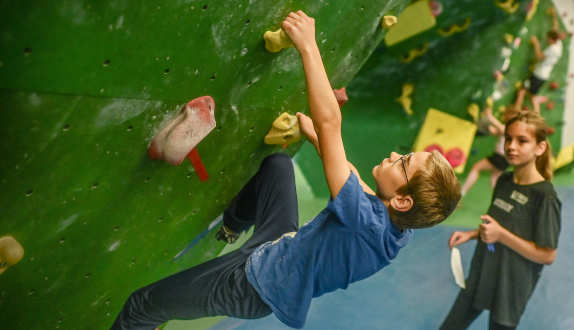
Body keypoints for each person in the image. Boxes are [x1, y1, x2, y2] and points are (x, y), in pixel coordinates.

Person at [111, 12, 462, 330]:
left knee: (141, 305)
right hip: (282, 250)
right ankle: (233, 226)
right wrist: (317, 141)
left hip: (250, 283)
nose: (394, 154)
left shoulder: (364, 220)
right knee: (278, 165)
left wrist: (307, 45)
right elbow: (355, 182)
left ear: (402, 201)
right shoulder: (398, 228)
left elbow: (330, 123)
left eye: (403, 163)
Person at [441, 112, 561, 330]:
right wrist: (472, 234)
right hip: (482, 273)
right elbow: (498, 224)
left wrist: (501, 236)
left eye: (522, 141)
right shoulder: (504, 180)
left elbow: (548, 255)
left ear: (539, 148)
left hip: (511, 285)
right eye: (508, 138)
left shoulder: (545, 197)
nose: (511, 146)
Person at [461, 106, 521, 196]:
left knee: (476, 167)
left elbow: (501, 129)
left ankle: (462, 192)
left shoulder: (511, 128)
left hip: (500, 157)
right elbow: (496, 132)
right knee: (494, 179)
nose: (503, 116)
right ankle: (500, 198)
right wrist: (486, 125)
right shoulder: (508, 127)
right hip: (504, 159)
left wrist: (489, 116)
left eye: (506, 114)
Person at [520, 8, 563, 112]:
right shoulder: (559, 45)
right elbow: (555, 29)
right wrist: (554, 15)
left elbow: (539, 56)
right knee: (531, 95)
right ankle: (536, 111)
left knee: (524, 92)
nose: (547, 40)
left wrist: (536, 44)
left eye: (548, 39)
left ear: (552, 40)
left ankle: (526, 110)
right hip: (544, 74)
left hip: (538, 74)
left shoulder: (552, 49)